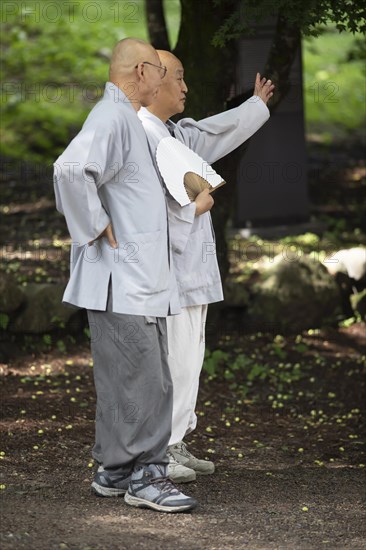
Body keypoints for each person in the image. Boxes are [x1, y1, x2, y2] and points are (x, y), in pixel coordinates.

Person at [53, 38, 199, 513]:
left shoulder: (123, 117)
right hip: (125, 281)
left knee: (127, 380)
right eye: (159, 69)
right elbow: (71, 170)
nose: (163, 79)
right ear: (141, 72)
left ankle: (115, 471)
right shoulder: (113, 116)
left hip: (133, 280)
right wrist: (94, 224)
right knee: (147, 382)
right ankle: (145, 477)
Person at [137, 50, 274, 482]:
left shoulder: (175, 132)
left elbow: (216, 131)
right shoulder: (139, 135)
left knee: (190, 356)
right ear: (152, 81)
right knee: (173, 358)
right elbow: (147, 208)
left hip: (192, 268)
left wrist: (254, 107)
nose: (185, 87)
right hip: (167, 270)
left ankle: (176, 439)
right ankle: (160, 447)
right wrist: (195, 206)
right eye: (177, 78)